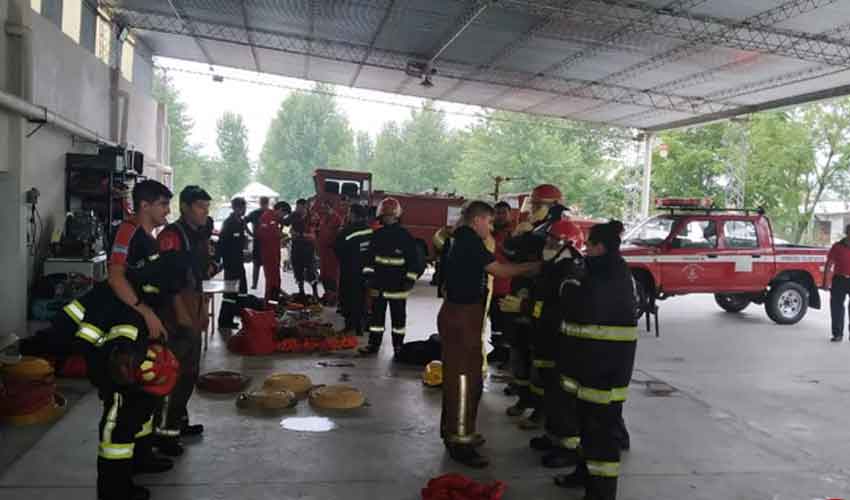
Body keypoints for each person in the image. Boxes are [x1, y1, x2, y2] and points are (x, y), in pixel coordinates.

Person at [439, 200, 540, 468]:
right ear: (478, 221)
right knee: (463, 378)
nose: (492, 227)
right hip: (462, 316)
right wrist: (533, 267)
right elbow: (500, 270)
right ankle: (460, 442)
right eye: (490, 222)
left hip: (460, 314)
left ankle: (456, 430)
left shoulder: (456, 238)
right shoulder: (470, 241)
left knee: (464, 374)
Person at [90, 251, 189, 500]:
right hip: (108, 354)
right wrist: (122, 369)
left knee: (141, 404)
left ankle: (141, 458)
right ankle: (113, 489)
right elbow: (117, 341)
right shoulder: (133, 300)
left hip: (127, 349)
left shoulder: (151, 288)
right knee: (119, 418)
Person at [553, 221, 638, 500]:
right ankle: (583, 475)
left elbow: (573, 302)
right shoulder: (604, 269)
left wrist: (566, 278)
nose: (585, 248)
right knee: (587, 428)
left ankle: (601, 493)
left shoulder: (607, 274)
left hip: (602, 369)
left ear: (601, 247)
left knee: (600, 436)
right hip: (591, 364)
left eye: (589, 244)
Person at [155, 186, 216, 456]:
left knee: (190, 372)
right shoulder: (172, 236)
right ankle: (165, 434)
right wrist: (181, 313)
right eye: (201, 206)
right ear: (186, 208)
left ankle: (179, 421)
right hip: (174, 309)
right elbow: (169, 281)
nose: (205, 212)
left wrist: (202, 309)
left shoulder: (198, 235)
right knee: (173, 372)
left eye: (207, 206)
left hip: (193, 303)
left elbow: (199, 277)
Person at [359, 197, 425, 356]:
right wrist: (368, 277)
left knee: (398, 321)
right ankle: (374, 345)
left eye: (390, 216)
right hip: (379, 285)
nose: (388, 218)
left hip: (399, 286)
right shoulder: (377, 235)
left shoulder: (405, 236)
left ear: (397, 216)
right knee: (376, 320)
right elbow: (369, 259)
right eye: (385, 216)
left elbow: (415, 262)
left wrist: (410, 279)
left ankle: (398, 348)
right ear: (381, 217)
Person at [333, 204, 374, 336]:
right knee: (361, 297)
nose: (348, 215)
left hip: (350, 270)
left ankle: (350, 325)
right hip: (365, 270)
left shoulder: (348, 231)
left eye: (350, 212)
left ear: (354, 214)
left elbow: (337, 248)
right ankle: (360, 326)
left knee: (348, 297)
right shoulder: (369, 230)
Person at [487, 201, 515, 365]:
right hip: (491, 285)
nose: (500, 216)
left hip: (508, 285)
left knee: (507, 323)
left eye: (503, 212)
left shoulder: (514, 234)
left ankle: (507, 352)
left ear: (510, 214)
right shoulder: (489, 232)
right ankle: (498, 350)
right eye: (497, 213)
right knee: (495, 321)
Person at [217, 197, 249, 329]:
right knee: (230, 293)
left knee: (241, 291)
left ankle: (237, 315)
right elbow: (222, 244)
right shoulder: (229, 223)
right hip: (231, 263)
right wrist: (221, 261)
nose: (244, 210)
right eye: (243, 207)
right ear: (236, 208)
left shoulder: (240, 222)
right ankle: (224, 320)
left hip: (239, 262)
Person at [258, 201, 293, 303]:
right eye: (284, 214)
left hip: (274, 252)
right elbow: (265, 234)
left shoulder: (275, 219)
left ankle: (273, 300)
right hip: (269, 253)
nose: (283, 217)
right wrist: (282, 235)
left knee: (276, 278)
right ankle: (269, 303)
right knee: (272, 279)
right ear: (280, 210)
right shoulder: (268, 217)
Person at [288, 199, 320, 300]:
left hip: (308, 248)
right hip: (296, 247)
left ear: (305, 207)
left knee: (311, 272)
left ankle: (315, 294)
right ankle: (301, 292)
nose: (298, 209)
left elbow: (312, 235)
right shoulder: (294, 215)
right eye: (297, 207)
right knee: (298, 270)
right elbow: (286, 224)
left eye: (300, 208)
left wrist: (299, 234)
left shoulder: (313, 216)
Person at [824, 224, 850, 342]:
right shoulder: (837, 246)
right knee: (836, 307)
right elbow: (829, 264)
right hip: (839, 280)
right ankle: (837, 334)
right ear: (847, 232)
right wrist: (826, 281)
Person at [317, 199, 343, 304]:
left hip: (332, 252)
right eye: (323, 207)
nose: (324, 209)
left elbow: (339, 235)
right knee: (324, 275)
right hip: (323, 252)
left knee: (333, 275)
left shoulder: (337, 219)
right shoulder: (323, 218)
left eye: (326, 207)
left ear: (331, 207)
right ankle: (327, 294)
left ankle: (334, 297)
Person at [245, 196, 270, 290]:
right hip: (263, 241)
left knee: (258, 264)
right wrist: (250, 233)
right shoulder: (257, 213)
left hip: (260, 241)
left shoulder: (255, 213)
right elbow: (244, 222)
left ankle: (255, 284)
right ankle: (263, 283)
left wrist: (250, 233)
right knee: (261, 264)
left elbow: (244, 222)